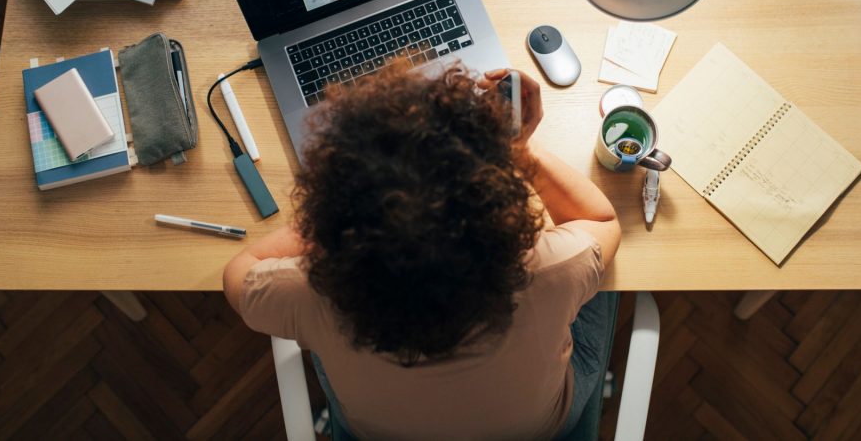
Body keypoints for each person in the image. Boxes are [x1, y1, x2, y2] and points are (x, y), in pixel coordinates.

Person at [223, 62, 621, 440]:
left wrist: (332, 213)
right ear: (498, 207)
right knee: (602, 280)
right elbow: (603, 222)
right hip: (538, 429)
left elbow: (239, 270)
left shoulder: (309, 294)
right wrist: (518, 150)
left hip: (378, 434)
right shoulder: (550, 269)